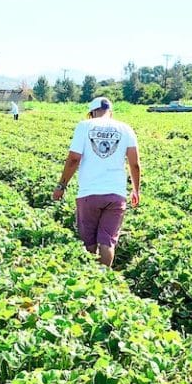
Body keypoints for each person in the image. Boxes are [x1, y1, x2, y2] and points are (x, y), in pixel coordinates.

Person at [52, 96, 140, 267]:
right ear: (111, 112)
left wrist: (61, 186)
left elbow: (73, 159)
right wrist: (136, 190)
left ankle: (91, 276)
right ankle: (105, 278)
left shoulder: (84, 126)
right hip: (116, 194)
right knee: (107, 241)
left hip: (89, 193)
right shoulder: (126, 129)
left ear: (92, 112)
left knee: (89, 241)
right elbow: (134, 164)